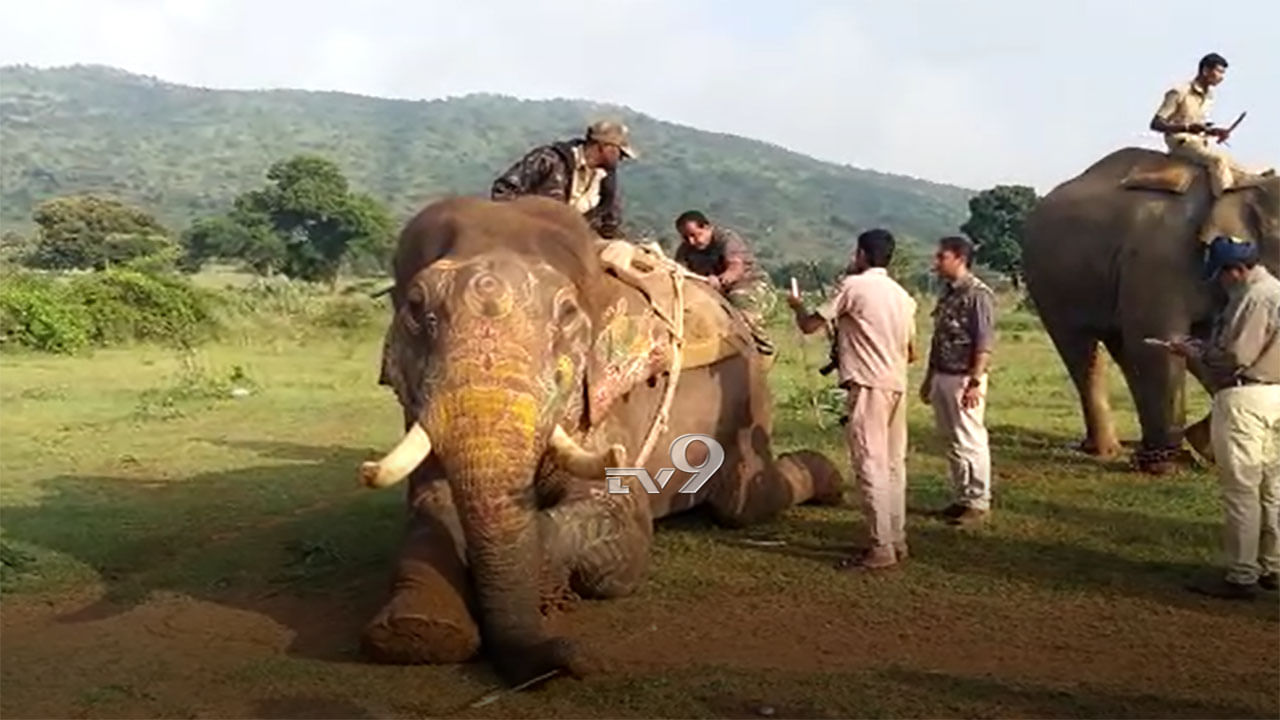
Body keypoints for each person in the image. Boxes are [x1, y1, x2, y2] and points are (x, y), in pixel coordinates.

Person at [787, 229, 918, 570]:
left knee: (870, 464)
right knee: (893, 465)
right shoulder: (903, 296)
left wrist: (798, 305)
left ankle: (880, 548)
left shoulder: (853, 286)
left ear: (862, 253)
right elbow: (912, 350)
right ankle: (896, 538)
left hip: (868, 385)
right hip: (896, 384)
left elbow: (809, 326)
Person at [1163, 236, 1280, 600]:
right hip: (1277, 395)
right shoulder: (1276, 289)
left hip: (1247, 396)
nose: (1221, 282)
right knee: (1273, 488)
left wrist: (1194, 352)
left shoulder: (1253, 297)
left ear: (1236, 270)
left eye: (1222, 274)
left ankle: (1242, 575)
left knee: (1241, 488)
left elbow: (1235, 356)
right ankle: (1273, 567)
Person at [920, 236, 996, 526]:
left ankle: (978, 499)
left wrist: (975, 381)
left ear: (960, 259)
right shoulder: (948, 293)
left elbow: (984, 341)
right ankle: (962, 496)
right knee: (951, 439)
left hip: (964, 376)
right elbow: (938, 338)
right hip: (943, 373)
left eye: (942, 257)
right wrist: (929, 378)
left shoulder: (978, 294)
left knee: (969, 438)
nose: (937, 262)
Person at [1149, 53, 1273, 205]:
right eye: (1219, 72)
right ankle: (1224, 205)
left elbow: (1198, 124)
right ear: (1206, 71)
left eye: (1223, 73)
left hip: (1201, 143)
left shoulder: (1209, 96)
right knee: (1218, 161)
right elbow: (1156, 124)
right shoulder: (1179, 92)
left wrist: (1214, 131)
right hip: (1182, 144)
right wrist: (1187, 128)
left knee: (1238, 167)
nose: (1221, 77)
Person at [491, 120, 635, 239]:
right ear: (603, 147)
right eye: (619, 152)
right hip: (529, 239)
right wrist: (522, 224)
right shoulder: (549, 159)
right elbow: (503, 190)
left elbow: (610, 224)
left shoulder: (606, 179)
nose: (622, 158)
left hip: (571, 244)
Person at [674, 210, 776, 355]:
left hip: (750, 285)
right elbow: (680, 272)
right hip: (713, 293)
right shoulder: (685, 250)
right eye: (686, 237)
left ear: (707, 228)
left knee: (740, 307)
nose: (691, 241)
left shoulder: (726, 240)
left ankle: (763, 347)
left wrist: (721, 280)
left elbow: (736, 267)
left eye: (695, 235)